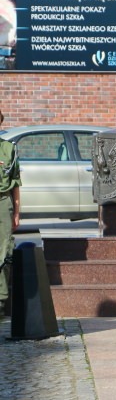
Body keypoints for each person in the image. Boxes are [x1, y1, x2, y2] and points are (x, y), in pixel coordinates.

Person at [0, 109, 21, 317]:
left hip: (3, 201)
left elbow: (15, 182)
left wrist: (17, 211)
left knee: (5, 251)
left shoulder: (8, 149)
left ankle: (1, 300)